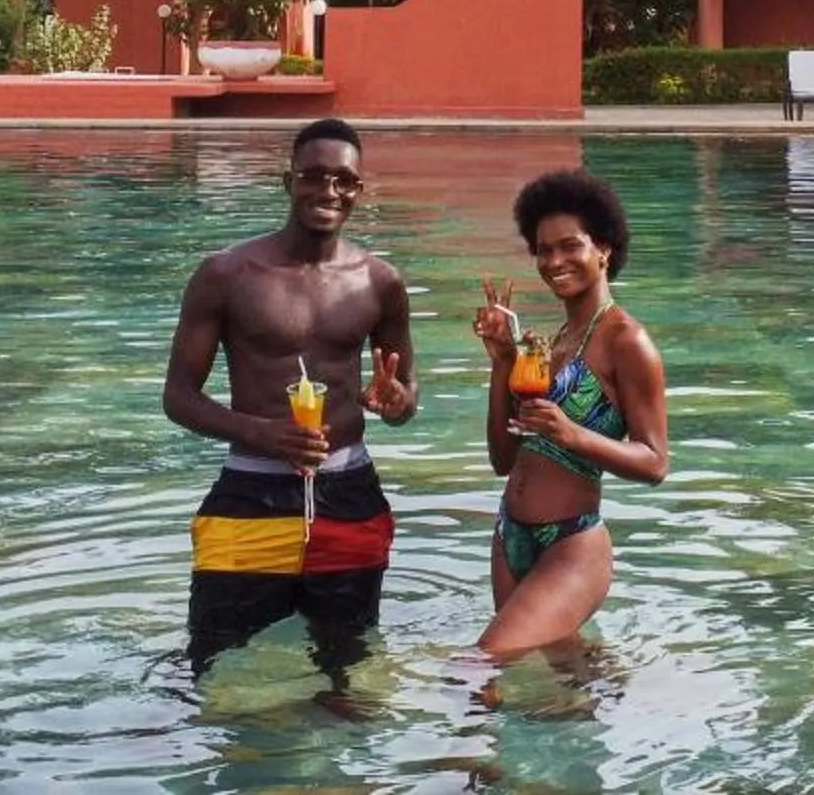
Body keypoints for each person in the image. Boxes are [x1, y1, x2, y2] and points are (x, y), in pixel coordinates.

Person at [164, 117, 419, 683]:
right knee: (213, 666)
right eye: (314, 176)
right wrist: (261, 433)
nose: (329, 191)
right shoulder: (227, 275)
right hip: (250, 492)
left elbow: (405, 397)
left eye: (344, 181)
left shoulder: (380, 282)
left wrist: (398, 403)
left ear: (359, 188)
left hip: (349, 494)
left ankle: (339, 770)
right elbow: (178, 396)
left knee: (347, 666)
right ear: (289, 181)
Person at [469, 168, 669, 658]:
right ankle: (602, 688)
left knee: (479, 668)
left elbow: (655, 462)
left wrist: (571, 433)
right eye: (543, 249)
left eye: (569, 246)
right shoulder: (548, 344)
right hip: (509, 536)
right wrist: (502, 365)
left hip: (571, 545)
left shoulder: (627, 341)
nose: (554, 261)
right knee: (557, 678)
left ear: (604, 249)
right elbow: (502, 459)